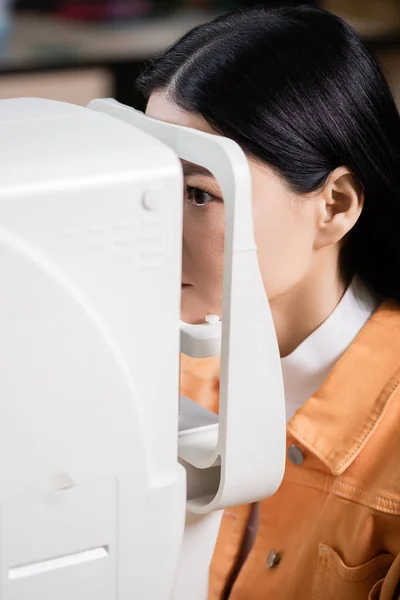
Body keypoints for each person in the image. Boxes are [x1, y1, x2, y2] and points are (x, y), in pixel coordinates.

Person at [136, 5, 400, 599]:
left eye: (201, 195)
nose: (154, 229)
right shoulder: (165, 366)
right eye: (152, 187)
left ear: (333, 205)